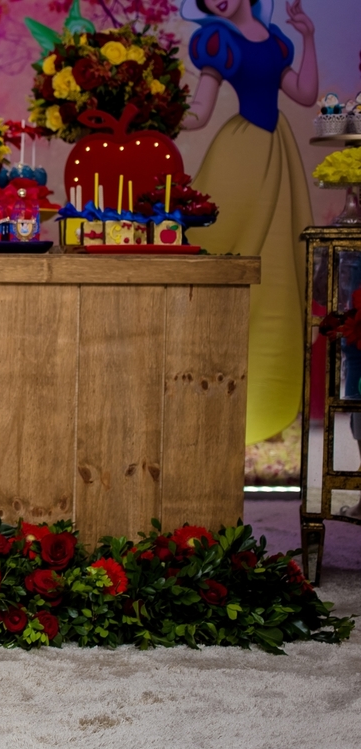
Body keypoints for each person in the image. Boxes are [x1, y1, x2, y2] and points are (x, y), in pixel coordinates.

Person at [181, 0, 318, 444]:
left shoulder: (277, 41)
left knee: (275, 266)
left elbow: (304, 94)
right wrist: (160, 110)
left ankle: (261, 395)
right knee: (220, 247)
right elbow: (199, 113)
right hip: (239, 156)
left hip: (274, 153)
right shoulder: (216, 42)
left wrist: (309, 36)